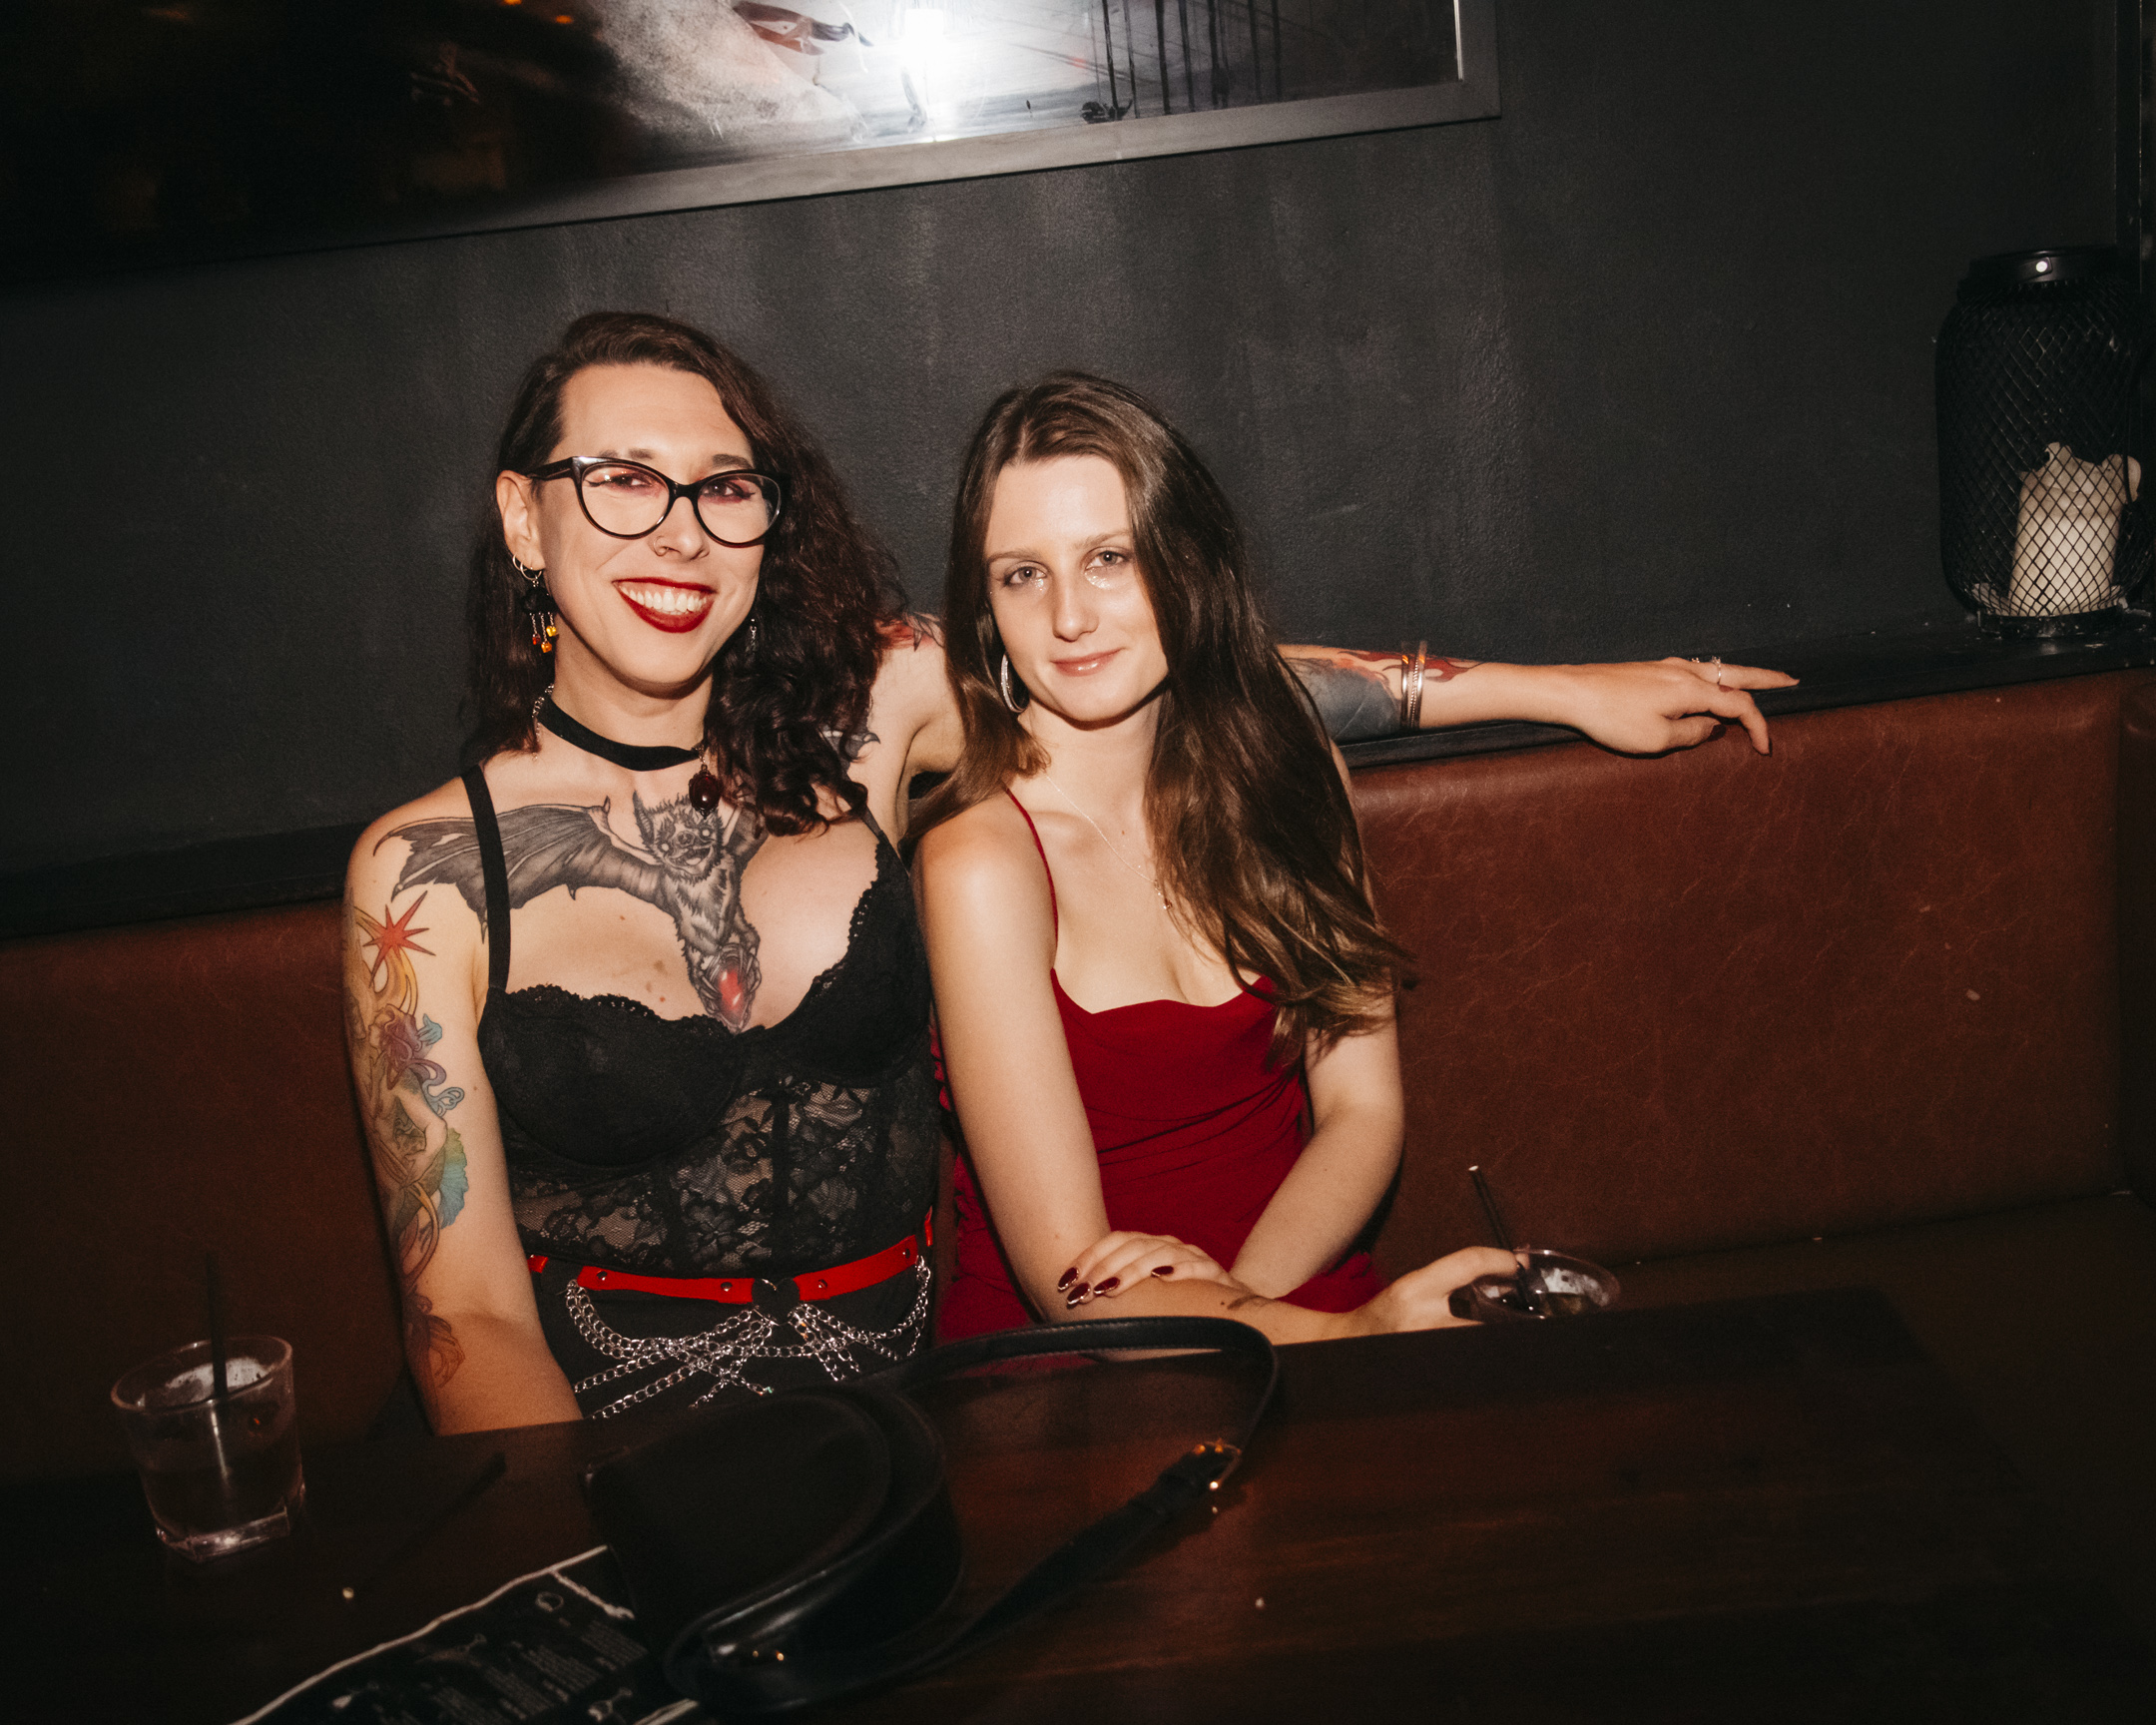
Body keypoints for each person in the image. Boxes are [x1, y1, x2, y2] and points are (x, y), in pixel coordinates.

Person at [344, 313, 1787, 1434]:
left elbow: (1189, 663)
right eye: (620, 483)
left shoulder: (867, 714)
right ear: (524, 519)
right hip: (626, 1441)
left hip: (912, 1415)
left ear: (765, 522)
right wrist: (590, 1557)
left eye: (723, 487)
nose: (678, 528)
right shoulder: (425, 875)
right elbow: (463, 1320)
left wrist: (1556, 690)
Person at [915, 373, 1793, 1344]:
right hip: (1080, 1364)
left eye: (1110, 558)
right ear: (984, 604)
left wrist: (1247, 1304)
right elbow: (1067, 1281)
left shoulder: (1286, 771)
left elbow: (1363, 1112)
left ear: (1186, 562)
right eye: (1022, 574)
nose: (1069, 617)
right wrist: (1343, 1335)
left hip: (1290, 1294)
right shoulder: (982, 861)